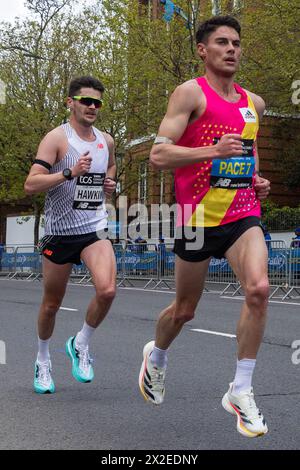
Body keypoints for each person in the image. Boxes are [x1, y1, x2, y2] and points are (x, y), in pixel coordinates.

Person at [138, 16, 271, 438]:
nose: (231, 49)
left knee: (259, 288)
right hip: (195, 219)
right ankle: (156, 357)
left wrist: (257, 181)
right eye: (221, 42)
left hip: (240, 214)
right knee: (184, 310)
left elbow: (247, 154)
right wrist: (211, 149)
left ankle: (241, 390)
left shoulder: (255, 103)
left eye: (236, 43)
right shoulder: (189, 93)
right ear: (202, 50)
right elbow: (159, 157)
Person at [24, 76, 117, 394]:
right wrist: (68, 173)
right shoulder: (56, 139)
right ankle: (43, 359)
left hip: (94, 228)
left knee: (106, 291)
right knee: (51, 304)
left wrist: (109, 184)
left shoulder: (106, 139)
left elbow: (111, 167)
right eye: (86, 100)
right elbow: (31, 183)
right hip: (60, 234)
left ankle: (80, 344)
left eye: (97, 102)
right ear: (70, 102)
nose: (92, 107)